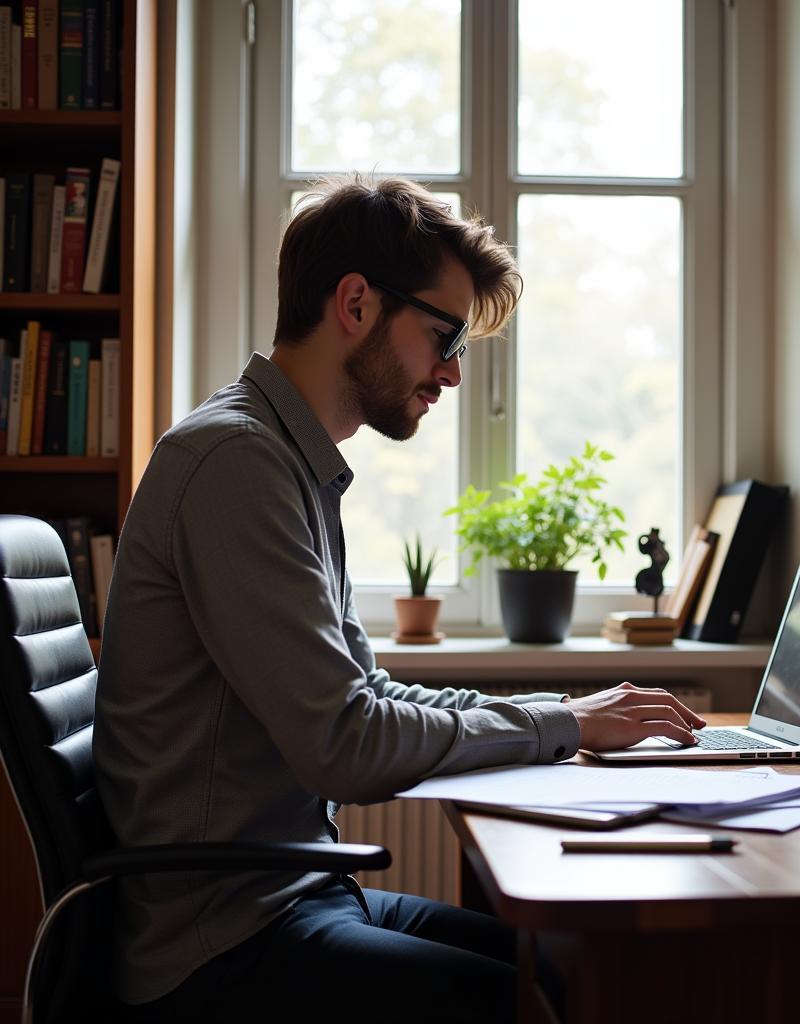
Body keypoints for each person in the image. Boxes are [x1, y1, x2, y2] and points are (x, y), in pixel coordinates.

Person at [93, 174, 705, 1022]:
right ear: (355, 303)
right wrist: (559, 726)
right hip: (221, 943)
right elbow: (343, 742)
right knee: (538, 996)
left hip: (296, 897)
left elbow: (366, 697)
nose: (453, 374)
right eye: (444, 336)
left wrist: (563, 713)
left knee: (571, 965)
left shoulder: (286, 462)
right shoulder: (236, 465)